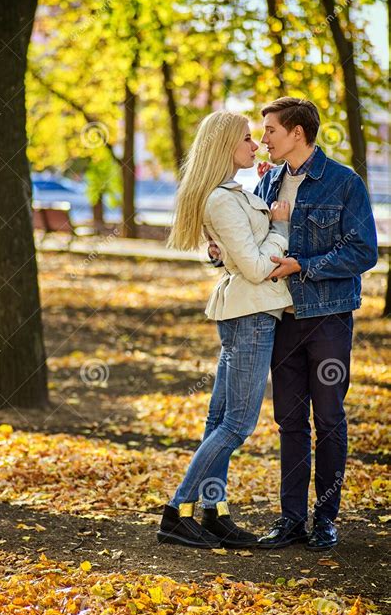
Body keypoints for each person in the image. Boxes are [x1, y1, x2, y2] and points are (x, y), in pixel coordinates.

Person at [209, 97, 378, 550]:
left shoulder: (344, 182)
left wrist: (302, 265)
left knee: (328, 418)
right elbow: (253, 247)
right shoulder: (266, 187)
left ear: (297, 133)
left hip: (327, 319)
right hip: (277, 320)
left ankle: (325, 518)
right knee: (289, 422)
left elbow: (364, 251)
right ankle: (291, 519)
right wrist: (220, 252)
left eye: (270, 130)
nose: (263, 140)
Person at [157, 110, 293, 549]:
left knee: (219, 418)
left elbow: (236, 247)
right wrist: (281, 226)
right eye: (248, 139)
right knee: (238, 424)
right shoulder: (220, 198)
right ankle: (177, 511)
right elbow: (256, 267)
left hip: (244, 314)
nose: (255, 146)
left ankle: (214, 511)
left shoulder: (232, 192)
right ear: (225, 145)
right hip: (251, 315)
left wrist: (264, 205)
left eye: (257, 138)